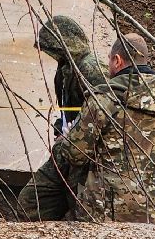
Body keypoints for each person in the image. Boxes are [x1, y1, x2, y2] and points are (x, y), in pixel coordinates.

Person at [46, 32, 155, 224]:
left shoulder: (103, 99)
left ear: (117, 60)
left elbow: (74, 154)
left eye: (110, 61)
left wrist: (67, 139)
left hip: (110, 216)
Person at [16, 15, 107, 220]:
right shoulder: (64, 69)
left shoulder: (92, 70)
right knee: (31, 202)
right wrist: (61, 127)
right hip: (65, 150)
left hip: (88, 156)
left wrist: (77, 136)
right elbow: (68, 109)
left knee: (80, 212)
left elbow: (105, 114)